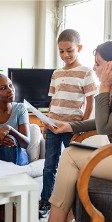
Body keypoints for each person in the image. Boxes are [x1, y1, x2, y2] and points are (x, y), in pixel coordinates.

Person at [45, 41, 112, 222]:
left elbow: (104, 126)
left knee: (70, 155)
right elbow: (105, 123)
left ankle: (55, 219)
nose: (94, 68)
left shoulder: (107, 88)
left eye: (98, 63)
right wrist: (71, 126)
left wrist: (104, 86)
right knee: (70, 155)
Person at [39, 29, 97, 218]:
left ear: (79, 48)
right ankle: (46, 200)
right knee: (49, 165)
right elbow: (53, 100)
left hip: (71, 127)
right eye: (61, 51)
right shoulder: (56, 73)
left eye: (69, 50)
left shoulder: (86, 71)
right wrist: (46, 123)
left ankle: (75, 204)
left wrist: (82, 125)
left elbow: (90, 101)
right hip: (53, 126)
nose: (65, 55)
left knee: (74, 166)